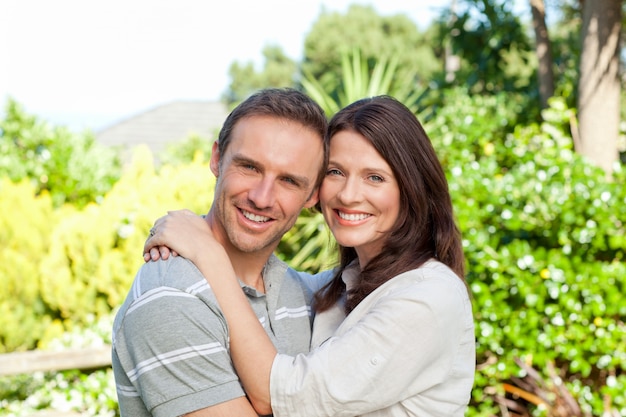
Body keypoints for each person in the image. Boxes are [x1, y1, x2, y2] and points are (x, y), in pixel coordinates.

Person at [146, 96, 476, 416]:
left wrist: (207, 252)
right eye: (335, 172)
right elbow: (256, 279)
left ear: (412, 187)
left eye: (374, 177)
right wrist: (184, 230)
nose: (348, 194)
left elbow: (283, 395)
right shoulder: (331, 290)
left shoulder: (427, 298)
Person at [111, 88, 331, 416]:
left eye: (288, 180)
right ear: (217, 158)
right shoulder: (170, 296)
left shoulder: (305, 294)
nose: (262, 197)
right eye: (250, 167)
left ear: (313, 195)